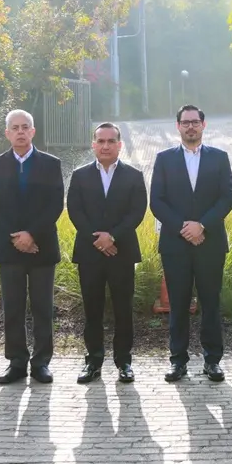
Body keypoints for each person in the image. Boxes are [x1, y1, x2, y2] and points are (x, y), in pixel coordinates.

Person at [149, 105, 232, 383]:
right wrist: (184, 227)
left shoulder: (219, 157)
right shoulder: (164, 159)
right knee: (178, 304)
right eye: (185, 122)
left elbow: (227, 197)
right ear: (178, 126)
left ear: (203, 125)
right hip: (176, 244)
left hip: (210, 243)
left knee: (211, 303)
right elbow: (157, 200)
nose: (190, 127)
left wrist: (202, 225)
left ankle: (213, 361)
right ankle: (178, 361)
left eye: (195, 122)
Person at [0, 109, 64, 385]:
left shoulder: (51, 164)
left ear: (33, 131)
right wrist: (16, 237)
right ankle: (16, 362)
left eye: (25, 127)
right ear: (7, 133)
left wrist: (31, 235)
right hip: (9, 249)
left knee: (43, 308)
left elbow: (55, 204)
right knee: (13, 308)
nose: (20, 131)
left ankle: (41, 362)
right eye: (15, 127)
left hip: (42, 247)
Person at [67, 123, 148, 384]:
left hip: (121, 252)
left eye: (111, 141)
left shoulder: (134, 176)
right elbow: (75, 210)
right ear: (93, 145)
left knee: (123, 309)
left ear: (119, 145)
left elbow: (137, 211)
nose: (105, 146)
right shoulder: (79, 175)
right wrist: (99, 239)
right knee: (92, 309)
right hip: (89, 253)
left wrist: (112, 236)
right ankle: (93, 361)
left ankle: (124, 362)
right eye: (100, 141)